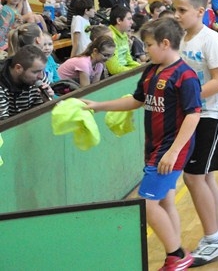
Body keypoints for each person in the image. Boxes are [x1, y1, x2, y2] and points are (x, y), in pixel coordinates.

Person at [81, 18, 202, 271]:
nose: (145, 50)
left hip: (170, 150)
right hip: (154, 147)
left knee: (146, 204)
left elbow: (193, 115)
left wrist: (173, 152)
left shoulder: (186, 76)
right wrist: (99, 106)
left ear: (165, 43)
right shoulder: (150, 71)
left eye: (148, 45)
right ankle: (177, 252)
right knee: (165, 202)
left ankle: (177, 255)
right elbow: (136, 100)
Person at [172, 0, 218, 265]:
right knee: (205, 177)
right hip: (194, 115)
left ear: (200, 11)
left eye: (182, 10)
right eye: (175, 9)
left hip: (212, 115)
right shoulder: (182, 39)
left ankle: (213, 237)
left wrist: (190, 99)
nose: (177, 15)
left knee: (193, 177)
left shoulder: (212, 40)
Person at [0, 45, 54, 120]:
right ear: (18, 68)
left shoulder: (38, 78)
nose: (41, 76)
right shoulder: (1, 85)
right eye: (35, 72)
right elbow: (4, 122)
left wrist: (47, 102)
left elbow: (42, 115)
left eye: (42, 70)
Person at [105, 5, 140, 75]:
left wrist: (141, 67)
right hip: (115, 77)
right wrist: (134, 70)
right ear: (119, 20)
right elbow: (114, 69)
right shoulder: (109, 37)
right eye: (129, 19)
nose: (132, 22)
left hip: (125, 71)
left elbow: (129, 60)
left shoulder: (123, 34)